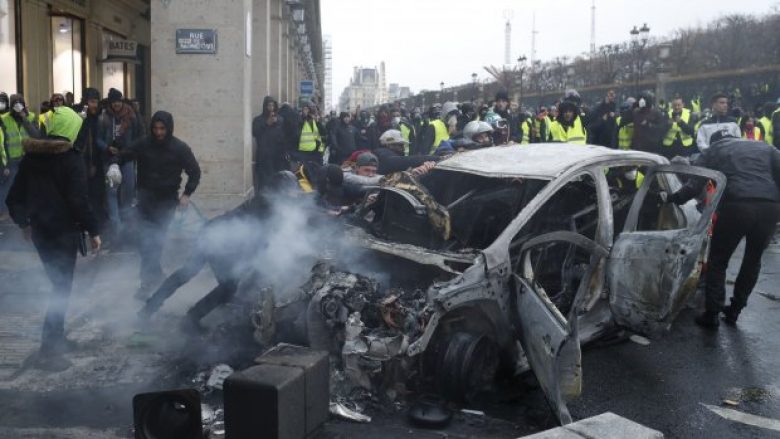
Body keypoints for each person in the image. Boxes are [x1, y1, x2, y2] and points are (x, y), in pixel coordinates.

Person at [5, 106, 101, 371]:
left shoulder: (31, 158)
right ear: (71, 129)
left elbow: (14, 198)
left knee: (60, 285)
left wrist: (25, 223)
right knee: (61, 288)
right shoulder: (71, 159)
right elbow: (78, 201)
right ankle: (48, 350)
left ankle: (57, 338)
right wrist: (94, 230)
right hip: (63, 233)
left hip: (41, 233)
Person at [667, 131, 780, 328]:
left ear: (714, 141)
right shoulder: (766, 147)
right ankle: (735, 310)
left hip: (737, 205)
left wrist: (673, 199)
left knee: (718, 260)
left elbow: (695, 184)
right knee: (753, 260)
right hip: (770, 208)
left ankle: (712, 314)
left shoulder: (715, 149)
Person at [111, 111, 201, 293]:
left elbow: (195, 172)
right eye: (155, 128)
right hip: (144, 202)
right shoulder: (144, 144)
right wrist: (114, 165)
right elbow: (123, 154)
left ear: (169, 128)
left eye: (162, 129)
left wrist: (186, 194)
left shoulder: (180, 148)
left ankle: (149, 282)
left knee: (154, 242)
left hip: (166, 203)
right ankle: (152, 279)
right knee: (146, 242)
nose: (159, 132)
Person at [100, 88, 143, 235]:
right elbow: (98, 138)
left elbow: (139, 135)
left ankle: (126, 225)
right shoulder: (104, 117)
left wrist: (131, 149)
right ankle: (116, 227)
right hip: (110, 158)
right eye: (113, 102)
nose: (116, 104)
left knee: (129, 190)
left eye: (118, 101)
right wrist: (107, 147)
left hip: (127, 157)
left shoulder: (132, 115)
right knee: (111, 192)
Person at [0, 94, 39, 219]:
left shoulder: (31, 116)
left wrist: (24, 117)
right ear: (11, 105)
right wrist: (4, 163)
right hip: (12, 159)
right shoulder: (4, 118)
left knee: (29, 185)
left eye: (19, 102)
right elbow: (3, 140)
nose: (17, 104)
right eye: (15, 102)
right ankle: (5, 211)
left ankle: (29, 211)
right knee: (9, 185)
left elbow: (36, 135)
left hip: (28, 158)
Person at [74, 88, 108, 230]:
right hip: (80, 163)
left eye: (96, 102)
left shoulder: (99, 117)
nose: (95, 105)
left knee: (96, 198)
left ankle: (96, 228)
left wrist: (94, 164)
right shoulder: (79, 116)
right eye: (92, 101)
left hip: (96, 164)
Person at [252, 96, 288, 191]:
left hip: (277, 155)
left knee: (277, 180)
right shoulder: (258, 120)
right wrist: (266, 124)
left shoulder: (280, 119)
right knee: (264, 181)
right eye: (269, 105)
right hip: (264, 155)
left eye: (273, 105)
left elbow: (283, 136)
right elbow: (255, 132)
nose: (271, 108)